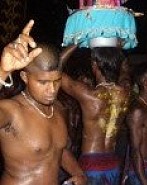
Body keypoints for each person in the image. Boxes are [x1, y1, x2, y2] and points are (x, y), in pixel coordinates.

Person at [0, 20, 87, 185]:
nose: (52, 90)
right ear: (25, 77)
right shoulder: (11, 111)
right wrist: (2, 72)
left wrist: (79, 173)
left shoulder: (59, 109)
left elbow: (57, 150)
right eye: (43, 82)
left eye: (57, 81)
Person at [61, 46, 130, 184]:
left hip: (91, 164)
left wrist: (75, 43)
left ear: (94, 65)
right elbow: (124, 73)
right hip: (113, 162)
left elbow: (54, 70)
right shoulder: (126, 93)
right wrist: (117, 52)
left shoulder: (89, 95)